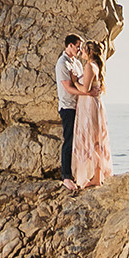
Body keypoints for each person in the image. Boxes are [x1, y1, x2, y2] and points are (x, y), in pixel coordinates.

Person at [68, 43, 112, 191]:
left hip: (88, 106)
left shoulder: (89, 66)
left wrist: (74, 81)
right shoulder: (95, 66)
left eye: (84, 50)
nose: (81, 52)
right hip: (93, 104)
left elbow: (85, 88)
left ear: (90, 52)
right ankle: (97, 177)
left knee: (91, 140)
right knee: (96, 140)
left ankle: (95, 177)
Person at [54, 35, 82, 182]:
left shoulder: (76, 63)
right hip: (68, 107)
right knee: (69, 141)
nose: (79, 49)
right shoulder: (62, 63)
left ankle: (78, 172)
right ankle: (66, 176)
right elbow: (68, 87)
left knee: (79, 141)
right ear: (69, 45)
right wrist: (86, 92)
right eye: (77, 46)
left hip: (79, 107)